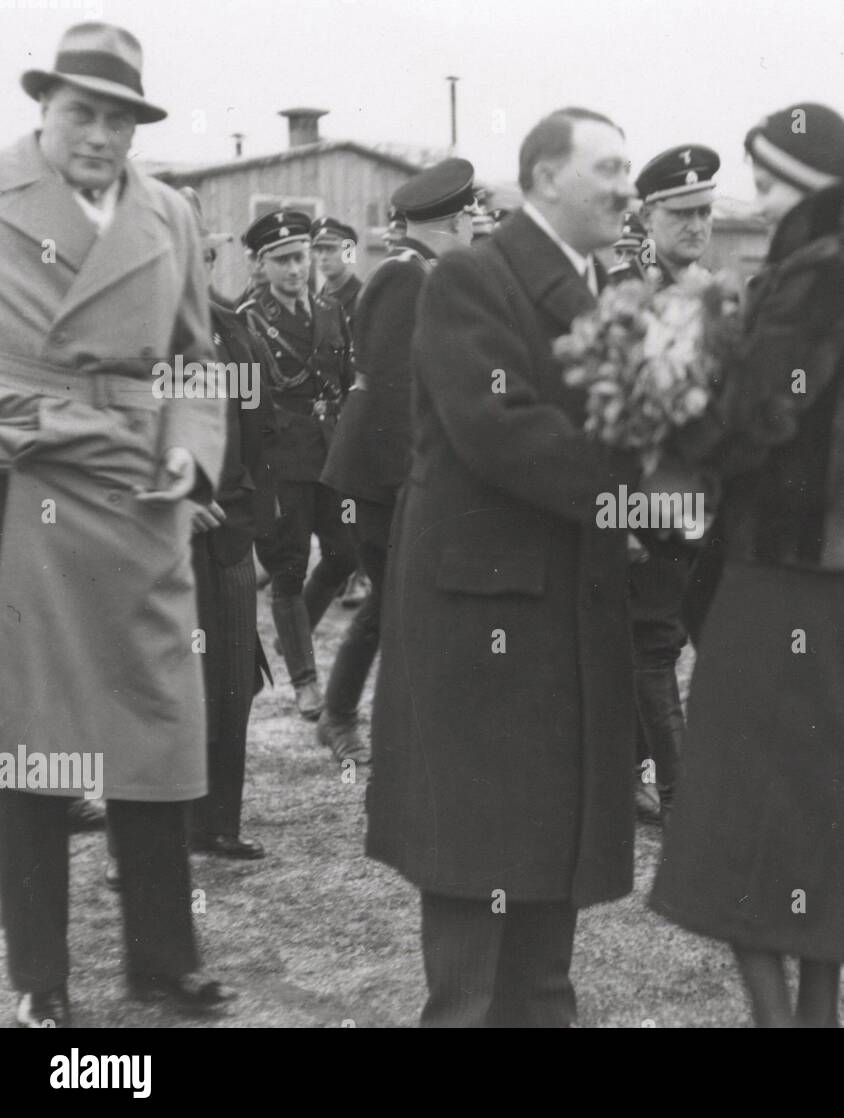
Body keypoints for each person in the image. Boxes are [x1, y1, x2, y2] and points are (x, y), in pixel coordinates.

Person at [650, 103, 844, 1028]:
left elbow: (747, 425)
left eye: (768, 178)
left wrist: (667, 391)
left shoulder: (811, 278)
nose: (754, 196)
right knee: (827, 820)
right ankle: (813, 1018)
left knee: (750, 819)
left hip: (784, 584)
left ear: (810, 183)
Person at [366, 108, 638, 1027]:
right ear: (545, 178)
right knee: (476, 950)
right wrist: (637, 494)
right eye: (608, 168)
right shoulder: (473, 279)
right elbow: (500, 430)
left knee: (543, 925)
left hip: (560, 626)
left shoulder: (596, 290)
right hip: (487, 636)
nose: (625, 187)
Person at [0, 21, 235, 1027]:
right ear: (44, 108)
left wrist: (193, 448)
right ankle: (39, 977)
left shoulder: (171, 214)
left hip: (142, 493)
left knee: (155, 727)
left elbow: (197, 356)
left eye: (118, 118)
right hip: (29, 489)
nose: (99, 134)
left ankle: (161, 961)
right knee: (37, 740)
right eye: (81, 112)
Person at [317, 157, 474, 766]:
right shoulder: (405, 276)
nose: (471, 230)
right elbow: (391, 389)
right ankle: (351, 721)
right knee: (398, 601)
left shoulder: (421, 271)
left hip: (391, 472)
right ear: (452, 220)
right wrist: (419, 475)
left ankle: (345, 718)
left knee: (394, 601)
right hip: (380, 475)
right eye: (469, 219)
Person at [619, 144, 722, 823]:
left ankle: (629, 775)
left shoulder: (709, 292)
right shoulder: (628, 296)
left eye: (705, 212)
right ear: (648, 216)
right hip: (650, 502)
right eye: (680, 213)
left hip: (705, 502)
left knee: (662, 645)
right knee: (654, 647)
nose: (695, 225)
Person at [179, 187, 278, 860]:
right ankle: (145, 846)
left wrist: (254, 529)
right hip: (159, 542)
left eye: (198, 248)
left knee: (233, 683)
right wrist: (173, 498)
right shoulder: (127, 341)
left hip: (230, 538)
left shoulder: (233, 332)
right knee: (162, 690)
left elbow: (259, 435)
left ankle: (219, 823)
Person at [239, 209, 356, 720]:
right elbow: (244, 403)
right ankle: (305, 682)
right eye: (282, 260)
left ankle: (295, 636)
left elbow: (348, 379)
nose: (294, 269)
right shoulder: (247, 322)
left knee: (344, 554)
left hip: (331, 453)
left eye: (300, 257)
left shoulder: (330, 310)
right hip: (281, 459)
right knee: (287, 570)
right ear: (262, 264)